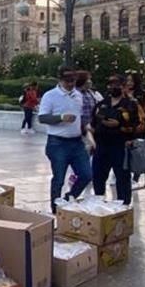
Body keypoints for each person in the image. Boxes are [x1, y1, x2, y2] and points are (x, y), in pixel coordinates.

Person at [39, 66, 93, 212]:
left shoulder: (78, 95)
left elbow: (80, 117)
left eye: (73, 81)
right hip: (58, 142)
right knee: (59, 178)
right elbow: (42, 118)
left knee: (86, 174)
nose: (70, 84)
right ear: (60, 80)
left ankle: (69, 197)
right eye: (67, 81)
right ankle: (55, 208)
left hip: (76, 142)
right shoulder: (50, 96)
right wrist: (61, 118)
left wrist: (86, 130)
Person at [90, 75, 140, 206]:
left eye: (117, 85)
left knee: (122, 179)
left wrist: (119, 126)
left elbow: (139, 126)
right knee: (98, 177)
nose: (113, 87)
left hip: (120, 146)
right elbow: (93, 124)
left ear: (124, 87)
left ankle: (123, 207)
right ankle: (99, 204)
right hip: (101, 146)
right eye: (111, 85)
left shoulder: (131, 105)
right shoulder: (101, 105)